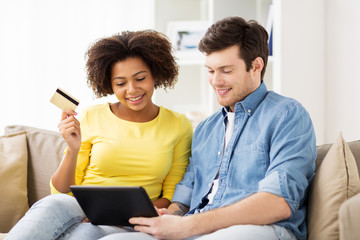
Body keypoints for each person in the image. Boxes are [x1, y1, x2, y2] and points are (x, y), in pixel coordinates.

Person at [100, 16, 317, 240]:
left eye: (226, 70)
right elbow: (184, 199)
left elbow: (278, 202)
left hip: (260, 230)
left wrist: (191, 225)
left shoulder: (287, 115)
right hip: (198, 229)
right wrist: (170, 216)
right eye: (211, 71)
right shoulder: (205, 129)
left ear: (256, 66)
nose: (215, 81)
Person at [5, 30, 193, 239]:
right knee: (52, 203)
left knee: (85, 233)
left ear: (155, 74)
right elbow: (60, 192)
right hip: (77, 208)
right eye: (120, 83)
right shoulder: (91, 116)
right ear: (109, 84)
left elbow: (170, 195)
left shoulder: (179, 124)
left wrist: (115, 213)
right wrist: (73, 149)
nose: (132, 89)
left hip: (129, 221)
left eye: (140, 78)